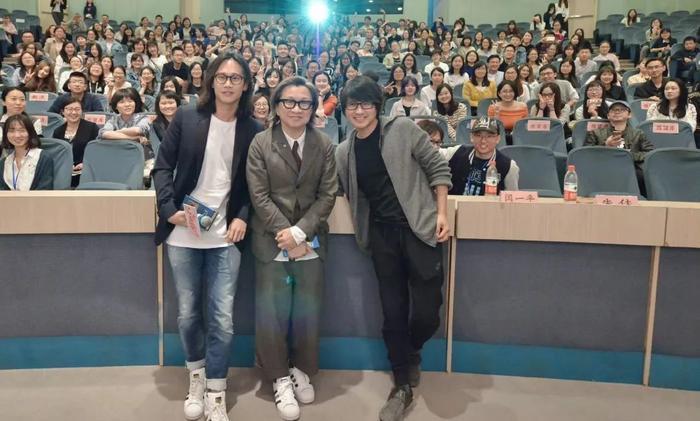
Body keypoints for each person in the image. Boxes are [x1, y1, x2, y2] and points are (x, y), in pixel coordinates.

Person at [153, 52, 262, 421]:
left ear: (245, 85)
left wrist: (243, 216)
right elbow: (163, 166)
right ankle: (196, 375)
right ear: (211, 81)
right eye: (222, 77)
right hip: (184, 232)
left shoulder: (253, 128)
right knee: (187, 314)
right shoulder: (187, 117)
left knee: (222, 318)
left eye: (236, 78)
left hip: (225, 235)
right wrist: (168, 208)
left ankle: (216, 389)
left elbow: (254, 183)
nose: (228, 83)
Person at [336, 75, 451, 421]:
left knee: (429, 311)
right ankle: (401, 383)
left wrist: (441, 213)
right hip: (381, 237)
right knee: (393, 310)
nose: (358, 111)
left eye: (365, 104)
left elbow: (438, 167)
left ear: (377, 105)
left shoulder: (402, 129)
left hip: (419, 230)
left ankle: (410, 350)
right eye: (352, 105)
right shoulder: (343, 152)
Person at [246, 76, 337, 421]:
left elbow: (327, 194)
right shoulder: (260, 143)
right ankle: (279, 377)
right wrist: (285, 232)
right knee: (272, 313)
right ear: (277, 105)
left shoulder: (324, 144)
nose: (296, 109)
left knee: (307, 311)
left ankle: (301, 369)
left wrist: (300, 233)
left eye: (304, 103)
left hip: (310, 240)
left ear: (313, 108)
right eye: (289, 101)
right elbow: (259, 195)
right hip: (271, 240)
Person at [584, 100, 654, 196]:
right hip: (603, 167)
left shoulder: (638, 133)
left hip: (630, 168)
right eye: (613, 110)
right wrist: (606, 146)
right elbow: (586, 154)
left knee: (642, 176)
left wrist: (628, 155)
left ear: (629, 115)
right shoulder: (595, 133)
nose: (617, 112)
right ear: (608, 115)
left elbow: (650, 153)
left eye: (622, 110)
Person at [440, 116, 519, 195]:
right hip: (454, 203)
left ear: (498, 139)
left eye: (489, 136)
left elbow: (512, 199)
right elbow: (435, 153)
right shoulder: (457, 152)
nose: (483, 141)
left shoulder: (509, 166)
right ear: (471, 137)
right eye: (478, 135)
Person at [53, 97, 100, 187]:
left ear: (82, 111)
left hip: (86, 172)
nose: (74, 112)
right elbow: (57, 154)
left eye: (77, 109)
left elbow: (97, 151)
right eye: (69, 109)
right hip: (64, 173)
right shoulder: (58, 131)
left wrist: (85, 164)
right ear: (62, 112)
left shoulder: (92, 128)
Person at [1, 113, 54, 190]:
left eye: (22, 130)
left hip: (36, 198)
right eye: (12, 131)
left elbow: (45, 190)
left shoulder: (43, 157)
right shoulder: (4, 162)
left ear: (30, 133)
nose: (17, 135)